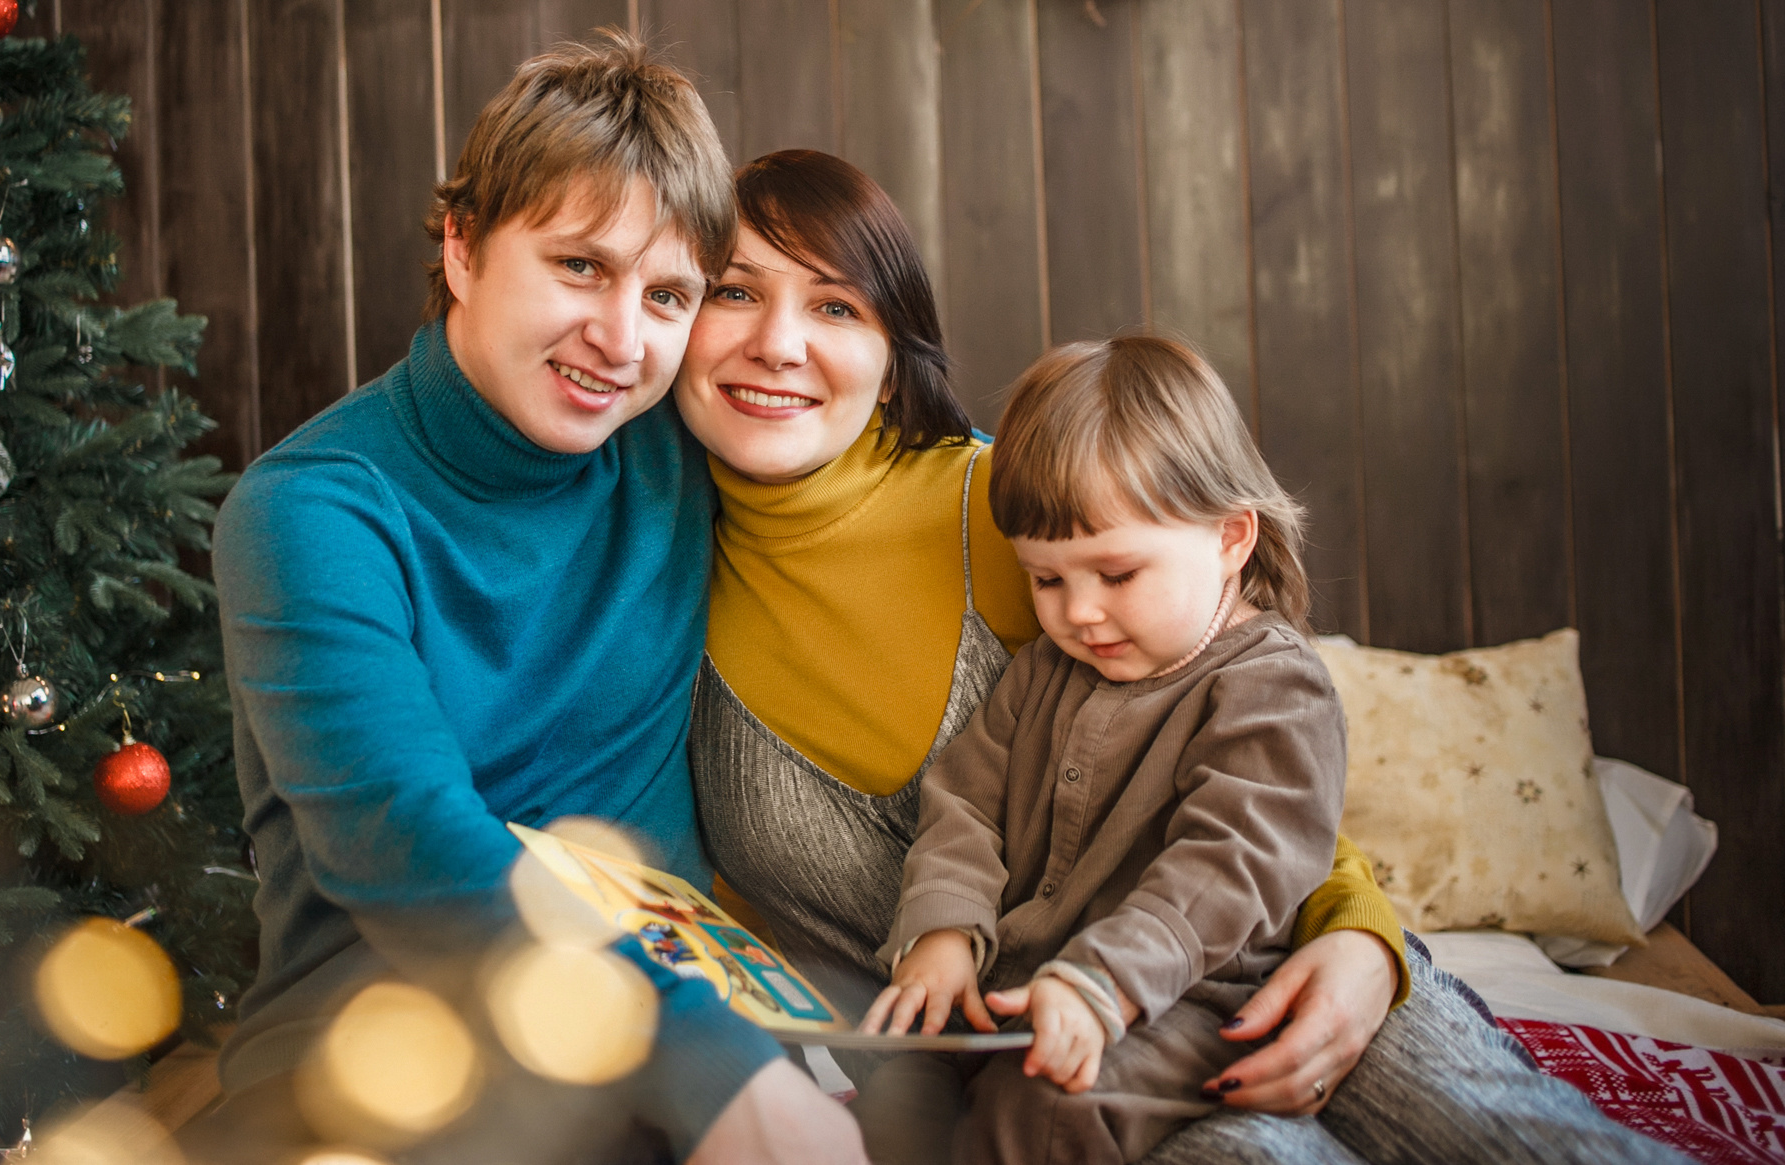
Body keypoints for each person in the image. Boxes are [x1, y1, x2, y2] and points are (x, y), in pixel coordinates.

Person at [678, 151, 1680, 1164]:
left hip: (1251, 972)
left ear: (894, 348)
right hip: (1023, 1076)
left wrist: (1359, 939)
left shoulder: (1012, 510)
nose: (777, 343)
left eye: (836, 307)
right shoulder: (646, 586)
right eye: (734, 291)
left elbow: (1244, 755)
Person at [201, 36, 865, 1164]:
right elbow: (404, 843)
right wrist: (710, 1062)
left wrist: (1289, 919)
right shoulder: (311, 514)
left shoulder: (680, 443)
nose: (619, 340)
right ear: (461, 248)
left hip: (678, 1028)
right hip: (390, 1039)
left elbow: (969, 486)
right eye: (578, 267)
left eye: (667, 294)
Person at [860, 334, 1347, 1160]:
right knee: (896, 1086)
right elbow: (965, 802)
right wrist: (944, 931)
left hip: (1183, 999)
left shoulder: (1274, 684)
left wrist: (1106, 982)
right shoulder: (1047, 671)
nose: (1078, 613)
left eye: (1116, 576)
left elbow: (1232, 861)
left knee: (1047, 1107)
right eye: (1047, 580)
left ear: (1231, 538)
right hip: (1015, 986)